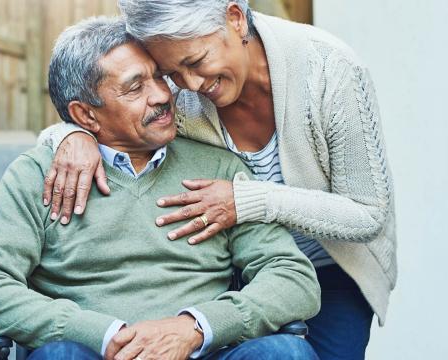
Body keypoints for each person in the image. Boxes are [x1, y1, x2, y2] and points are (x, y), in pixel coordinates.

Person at [39, 1, 397, 359]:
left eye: (195, 62)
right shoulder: (178, 92)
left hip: (329, 266)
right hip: (231, 269)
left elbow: (368, 214)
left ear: (236, 19)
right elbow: (112, 119)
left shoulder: (329, 72)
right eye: (173, 72)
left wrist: (246, 201)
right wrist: (71, 135)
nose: (190, 84)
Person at [0, 16, 321, 360]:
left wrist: (196, 327)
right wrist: (106, 334)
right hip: (91, 353)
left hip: (204, 351)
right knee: (59, 355)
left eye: (158, 77)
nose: (162, 95)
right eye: (135, 87)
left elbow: (293, 280)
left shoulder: (218, 165)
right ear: (85, 116)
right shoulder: (37, 176)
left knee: (286, 353)